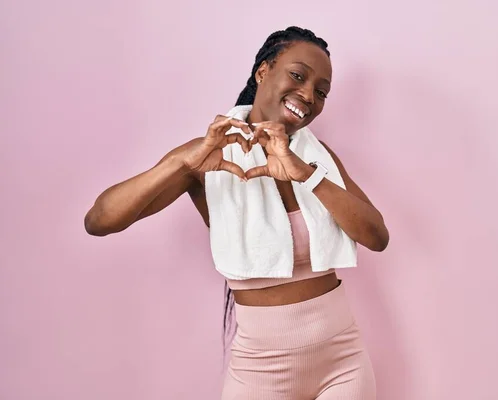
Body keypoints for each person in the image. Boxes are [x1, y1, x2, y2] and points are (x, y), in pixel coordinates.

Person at [85, 26, 389, 400]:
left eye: (322, 91)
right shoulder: (208, 157)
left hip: (343, 361)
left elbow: (377, 236)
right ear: (263, 71)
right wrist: (180, 162)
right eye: (298, 75)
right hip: (260, 369)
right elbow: (99, 220)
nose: (309, 95)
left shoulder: (316, 157)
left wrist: (305, 174)